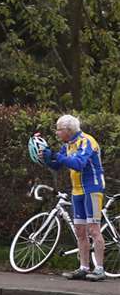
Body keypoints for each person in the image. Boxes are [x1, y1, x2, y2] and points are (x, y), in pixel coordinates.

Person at [42, 114, 107, 281]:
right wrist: (47, 158)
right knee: (80, 231)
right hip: (77, 190)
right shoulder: (68, 144)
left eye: (58, 129)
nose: (56, 133)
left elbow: (78, 164)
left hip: (92, 188)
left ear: (68, 130)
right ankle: (84, 268)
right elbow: (58, 165)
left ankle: (99, 269)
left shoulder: (87, 141)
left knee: (93, 229)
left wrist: (58, 156)